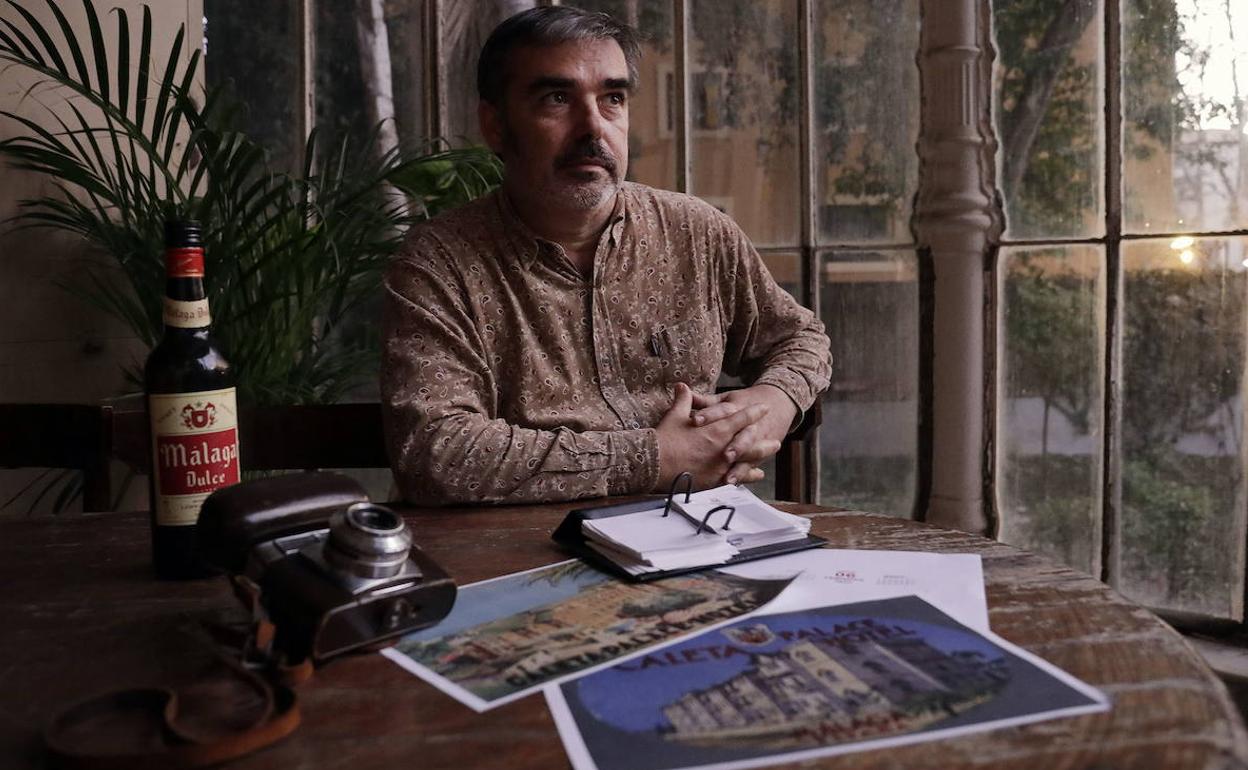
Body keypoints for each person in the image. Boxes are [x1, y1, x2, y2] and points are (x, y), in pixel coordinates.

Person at [381, 6, 832, 505]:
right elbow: (437, 453)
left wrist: (775, 400)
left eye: (612, 98)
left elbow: (799, 337)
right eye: (557, 99)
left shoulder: (698, 232)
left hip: (700, 531)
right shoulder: (439, 262)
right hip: (524, 552)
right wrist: (655, 458)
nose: (592, 128)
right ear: (496, 125)